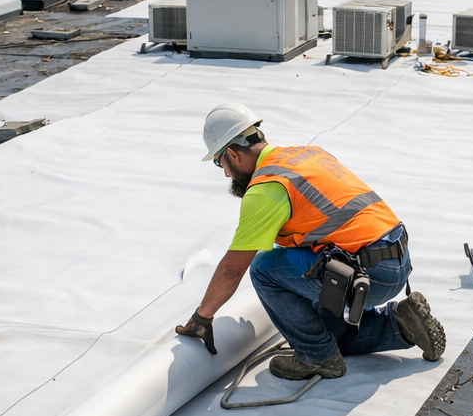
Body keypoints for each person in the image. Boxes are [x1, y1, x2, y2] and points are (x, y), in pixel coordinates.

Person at [175, 104, 447, 380]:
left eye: (219, 162)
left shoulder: (267, 187)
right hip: (397, 259)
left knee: (264, 268)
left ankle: (317, 357)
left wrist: (202, 317)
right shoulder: (307, 154)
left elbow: (232, 269)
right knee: (329, 334)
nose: (225, 173)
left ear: (233, 154)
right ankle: (401, 324)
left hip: (370, 274)